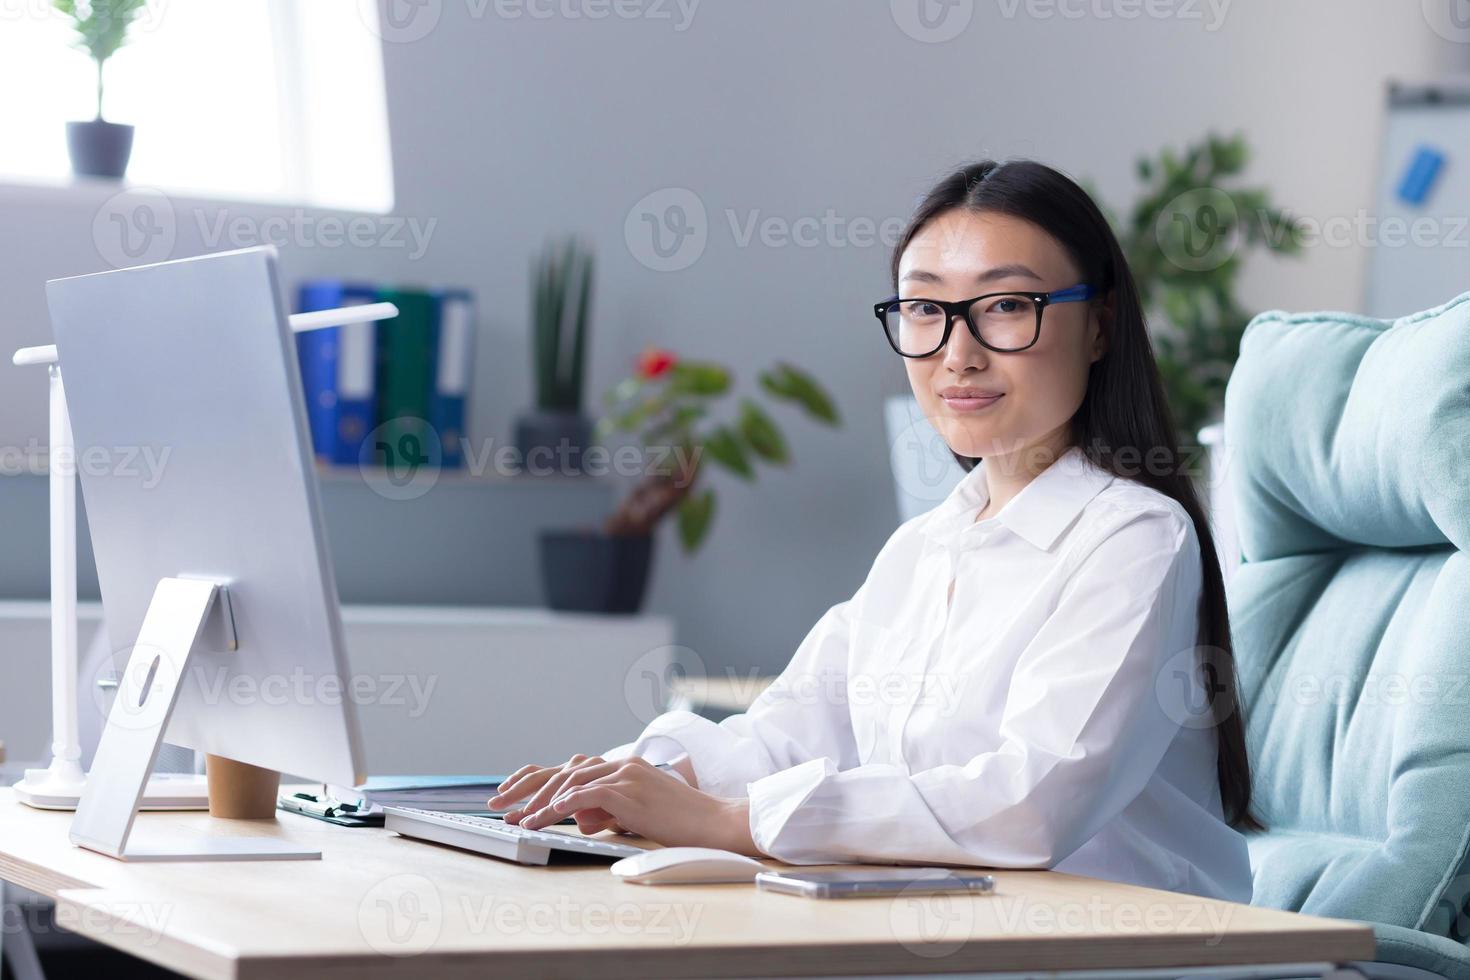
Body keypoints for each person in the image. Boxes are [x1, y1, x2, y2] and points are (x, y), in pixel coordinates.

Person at [489, 159, 1258, 902]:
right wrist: (631, 777)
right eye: (925, 309)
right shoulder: (924, 547)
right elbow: (788, 732)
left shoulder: (1135, 537)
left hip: (1126, 949)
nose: (959, 354)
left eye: (1006, 307)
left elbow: (1030, 807)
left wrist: (731, 823)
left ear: (1099, 325)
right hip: (958, 928)